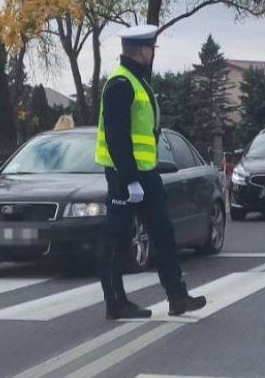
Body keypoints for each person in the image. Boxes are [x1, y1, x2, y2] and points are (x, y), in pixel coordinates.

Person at [95, 24, 207, 320]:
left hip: (146, 173)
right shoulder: (121, 83)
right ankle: (115, 302)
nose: (152, 53)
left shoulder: (136, 80)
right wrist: (130, 179)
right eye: (150, 48)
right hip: (125, 175)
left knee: (163, 233)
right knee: (117, 238)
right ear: (141, 50)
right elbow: (117, 136)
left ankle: (177, 295)